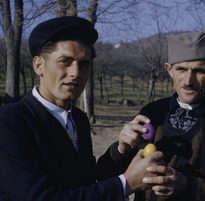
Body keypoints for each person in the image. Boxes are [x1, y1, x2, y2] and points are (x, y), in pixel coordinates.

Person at [0, 16, 164, 201]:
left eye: (84, 64)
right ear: (39, 65)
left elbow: (86, 182)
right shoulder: (10, 122)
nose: (76, 73)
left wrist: (121, 150)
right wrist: (127, 184)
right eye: (65, 61)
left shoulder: (78, 118)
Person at [98, 30, 205, 201]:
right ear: (169, 70)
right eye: (181, 69)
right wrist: (121, 150)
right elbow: (103, 176)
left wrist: (190, 187)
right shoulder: (151, 113)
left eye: (198, 70)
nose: (188, 81)